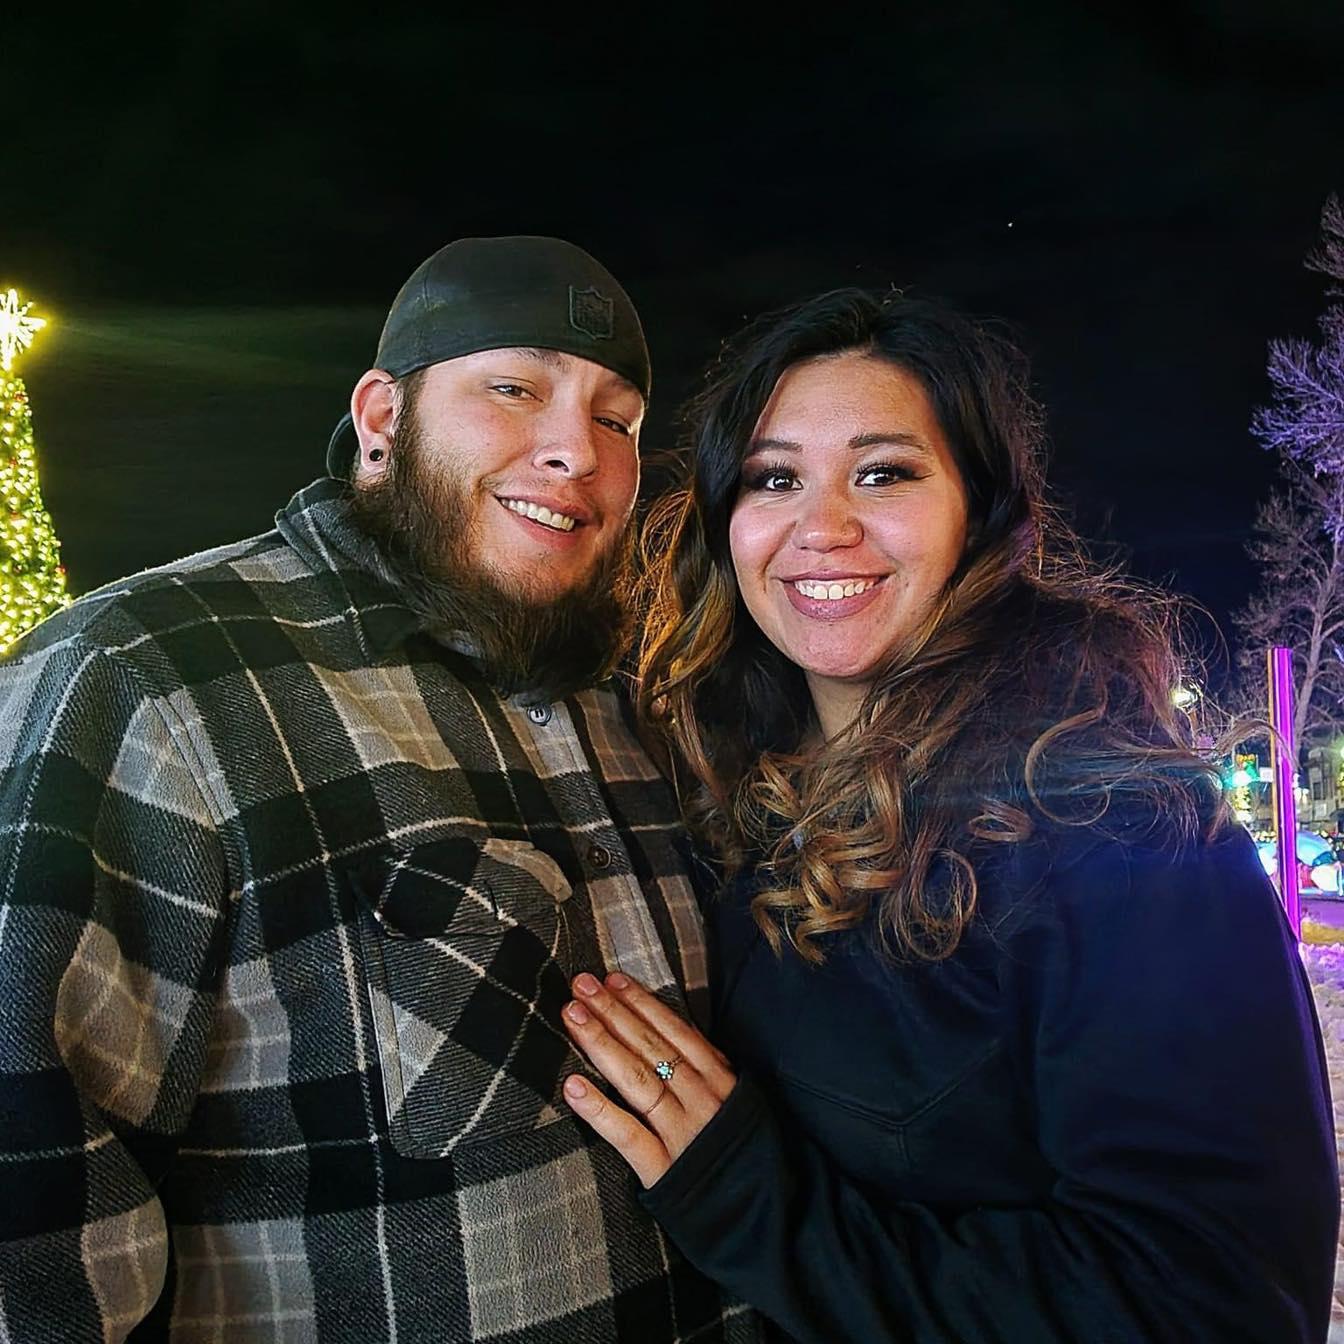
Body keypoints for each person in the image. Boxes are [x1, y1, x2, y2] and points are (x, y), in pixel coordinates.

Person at [0, 236, 761, 1343]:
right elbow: (25, 1202)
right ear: (380, 417)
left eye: (618, 419)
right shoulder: (147, 677)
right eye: (514, 388)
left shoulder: (650, 705)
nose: (575, 453)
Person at [557, 288, 1339, 1342]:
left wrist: (757, 1207)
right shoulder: (726, 803)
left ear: (979, 510)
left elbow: (1210, 1299)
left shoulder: (1120, 830)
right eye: (773, 477)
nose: (822, 527)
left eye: (884, 473)